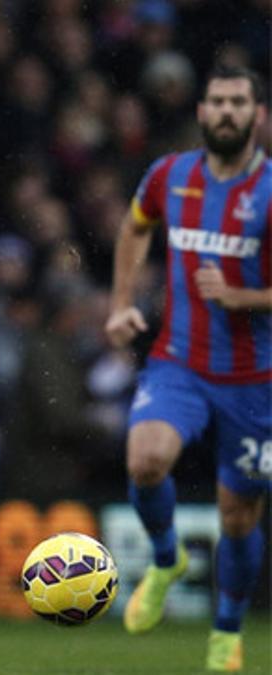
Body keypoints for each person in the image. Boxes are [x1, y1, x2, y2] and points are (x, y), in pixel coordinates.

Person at [105, 64, 269, 673]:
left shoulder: (271, 193)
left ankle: (226, 632)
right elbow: (134, 227)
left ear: (257, 115)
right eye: (218, 101)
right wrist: (120, 304)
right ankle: (168, 557)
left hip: (257, 380)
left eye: (239, 103)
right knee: (145, 459)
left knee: (238, 514)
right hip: (179, 361)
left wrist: (242, 299)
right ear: (202, 112)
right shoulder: (170, 176)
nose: (227, 112)